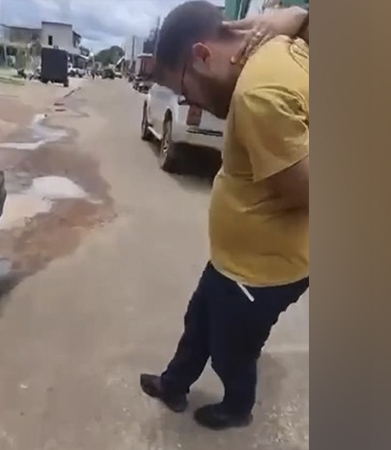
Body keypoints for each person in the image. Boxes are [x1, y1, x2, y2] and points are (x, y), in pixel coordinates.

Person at [139, 1, 309, 431]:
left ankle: (237, 407)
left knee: (232, 350)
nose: (188, 100)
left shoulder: (258, 94)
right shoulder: (278, 45)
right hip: (234, 262)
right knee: (199, 322)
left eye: (182, 89)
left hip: (262, 272)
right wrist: (298, 16)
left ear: (201, 56)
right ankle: (173, 384)